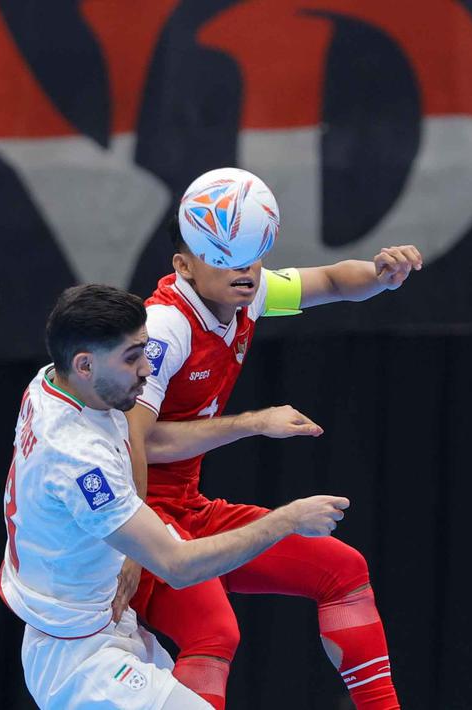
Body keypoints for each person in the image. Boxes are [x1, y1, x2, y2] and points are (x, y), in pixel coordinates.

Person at [0, 284, 352, 709]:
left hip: (104, 622)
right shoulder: (78, 457)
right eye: (132, 358)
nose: (148, 369)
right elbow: (178, 565)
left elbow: (154, 443)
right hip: (77, 658)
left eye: (144, 350)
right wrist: (288, 520)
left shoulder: (52, 383)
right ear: (85, 364)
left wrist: (253, 423)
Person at [121, 211, 422, 709]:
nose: (244, 269)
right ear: (184, 265)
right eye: (223, 257)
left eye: (252, 255)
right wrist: (253, 423)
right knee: (214, 631)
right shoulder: (165, 328)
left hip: (188, 511)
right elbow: (137, 442)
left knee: (342, 570)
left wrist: (381, 276)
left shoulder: (247, 291)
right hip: (138, 523)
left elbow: (329, 281)